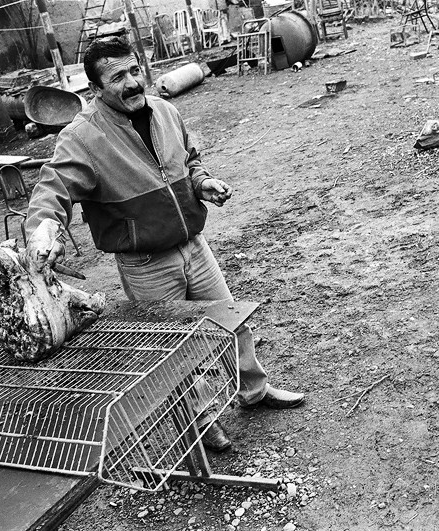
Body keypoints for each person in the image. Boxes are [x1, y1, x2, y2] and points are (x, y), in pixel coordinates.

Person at [24, 36, 304, 452]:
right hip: (146, 263)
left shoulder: (166, 111)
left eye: (135, 70)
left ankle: (254, 391)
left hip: (194, 246)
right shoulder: (82, 137)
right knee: (176, 349)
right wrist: (44, 225)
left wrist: (202, 183)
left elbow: (189, 161)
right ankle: (202, 420)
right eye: (118, 77)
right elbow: (54, 186)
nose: (133, 82)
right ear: (96, 89)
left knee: (232, 322)